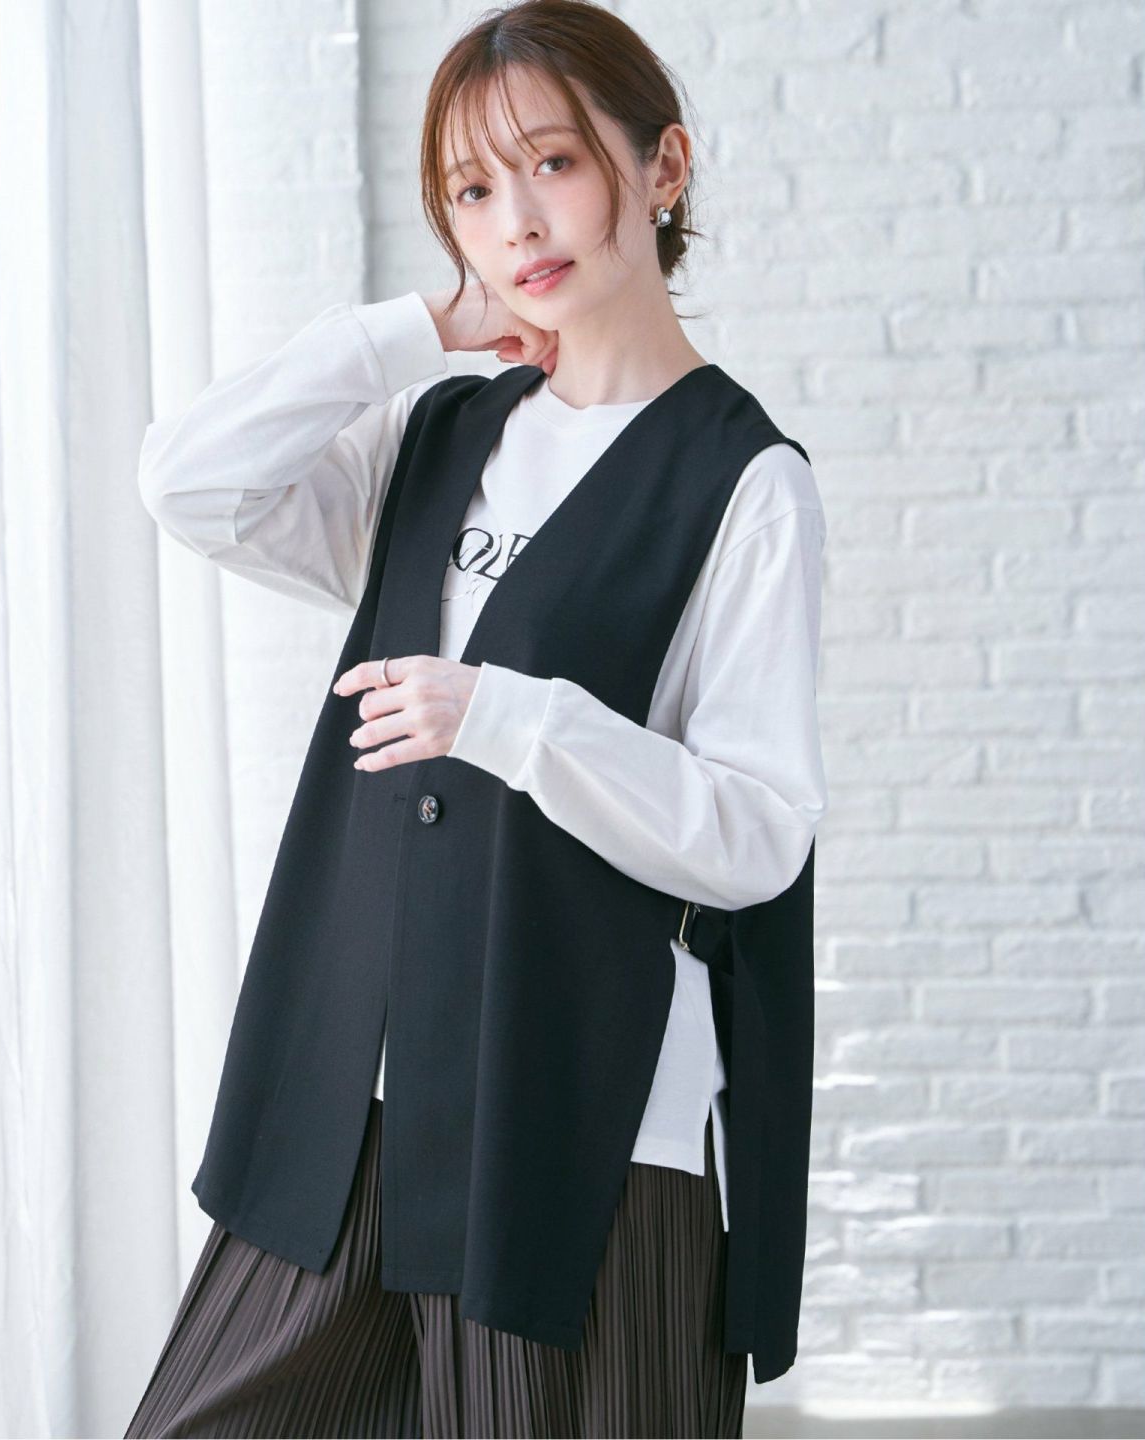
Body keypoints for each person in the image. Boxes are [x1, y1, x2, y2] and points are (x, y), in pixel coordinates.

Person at [125, 0, 826, 1435]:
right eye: (471, 189)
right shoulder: (439, 433)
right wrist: (414, 333)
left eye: (553, 163)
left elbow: (758, 834)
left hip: (580, 1120)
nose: (518, 220)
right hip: (352, 1102)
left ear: (663, 166)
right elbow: (192, 483)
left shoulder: (747, 483)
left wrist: (510, 718)